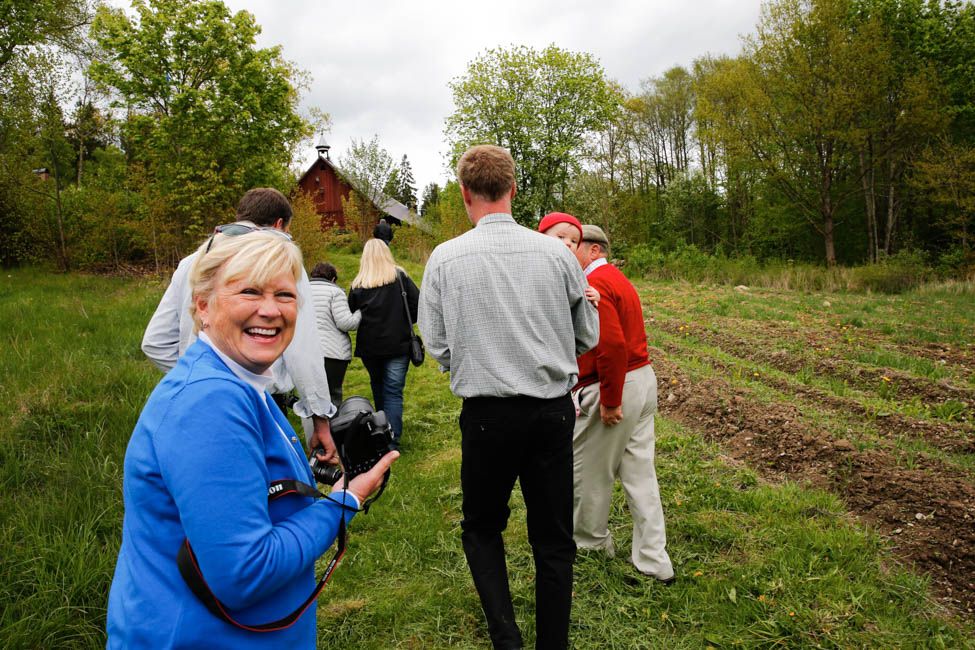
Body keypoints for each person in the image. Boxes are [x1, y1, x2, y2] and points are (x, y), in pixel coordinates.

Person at [107, 230, 399, 648]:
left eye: (284, 295)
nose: (270, 310)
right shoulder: (209, 403)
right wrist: (345, 501)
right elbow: (246, 573)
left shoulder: (239, 384)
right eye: (249, 291)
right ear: (203, 306)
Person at [418, 145, 599, 650]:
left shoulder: (444, 259)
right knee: (553, 537)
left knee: (481, 526)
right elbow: (586, 336)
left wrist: (475, 365)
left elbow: (436, 342)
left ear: (464, 194)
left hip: (487, 414)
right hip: (550, 413)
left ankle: (506, 639)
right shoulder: (559, 255)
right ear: (513, 189)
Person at [141, 188, 338, 463]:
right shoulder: (278, 259)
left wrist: (196, 379)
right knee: (260, 491)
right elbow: (302, 349)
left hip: (191, 403)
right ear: (280, 224)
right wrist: (320, 419)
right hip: (255, 402)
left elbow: (155, 341)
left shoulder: (193, 261)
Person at [571, 224, 674, 584]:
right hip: (643, 379)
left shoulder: (596, 282)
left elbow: (611, 345)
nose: (569, 250)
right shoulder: (619, 279)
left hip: (617, 384)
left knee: (589, 470)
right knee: (640, 473)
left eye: (575, 244)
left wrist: (611, 400)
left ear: (595, 250)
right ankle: (653, 558)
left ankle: (590, 545)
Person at [348, 239, 419, 445]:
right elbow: (417, 304)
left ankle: (381, 433)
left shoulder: (358, 284)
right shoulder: (400, 278)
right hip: (398, 343)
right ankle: (392, 439)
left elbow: (352, 313)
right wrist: (404, 321)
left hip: (370, 347)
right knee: (393, 392)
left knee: (378, 388)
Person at [309, 262, 361, 405]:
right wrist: (359, 313)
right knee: (332, 395)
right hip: (332, 353)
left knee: (310, 396)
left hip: (306, 352)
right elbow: (345, 323)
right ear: (333, 279)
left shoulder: (301, 291)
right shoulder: (335, 292)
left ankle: (311, 427)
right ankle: (333, 426)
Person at [538, 211, 600, 307]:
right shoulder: (536, 262)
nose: (568, 243)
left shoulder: (573, 268)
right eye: (561, 237)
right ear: (541, 237)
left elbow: (580, 290)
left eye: (574, 241)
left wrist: (594, 294)